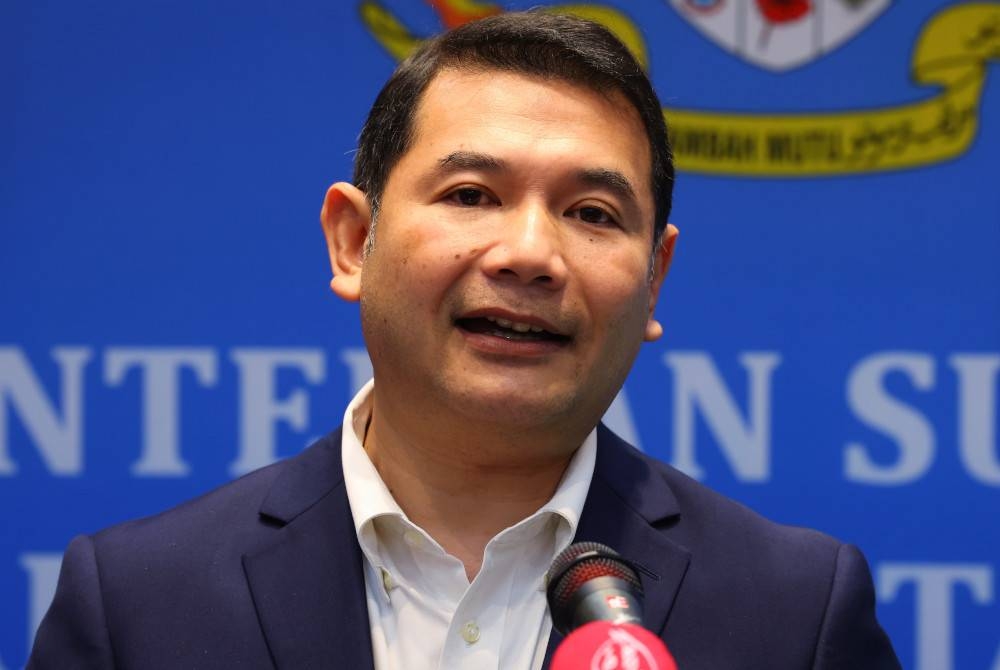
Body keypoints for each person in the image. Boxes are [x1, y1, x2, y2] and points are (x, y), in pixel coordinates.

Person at [28, 10, 900, 669]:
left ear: (654, 279)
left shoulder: (796, 613)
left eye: (592, 213)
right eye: (472, 195)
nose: (530, 254)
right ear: (352, 241)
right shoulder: (138, 603)